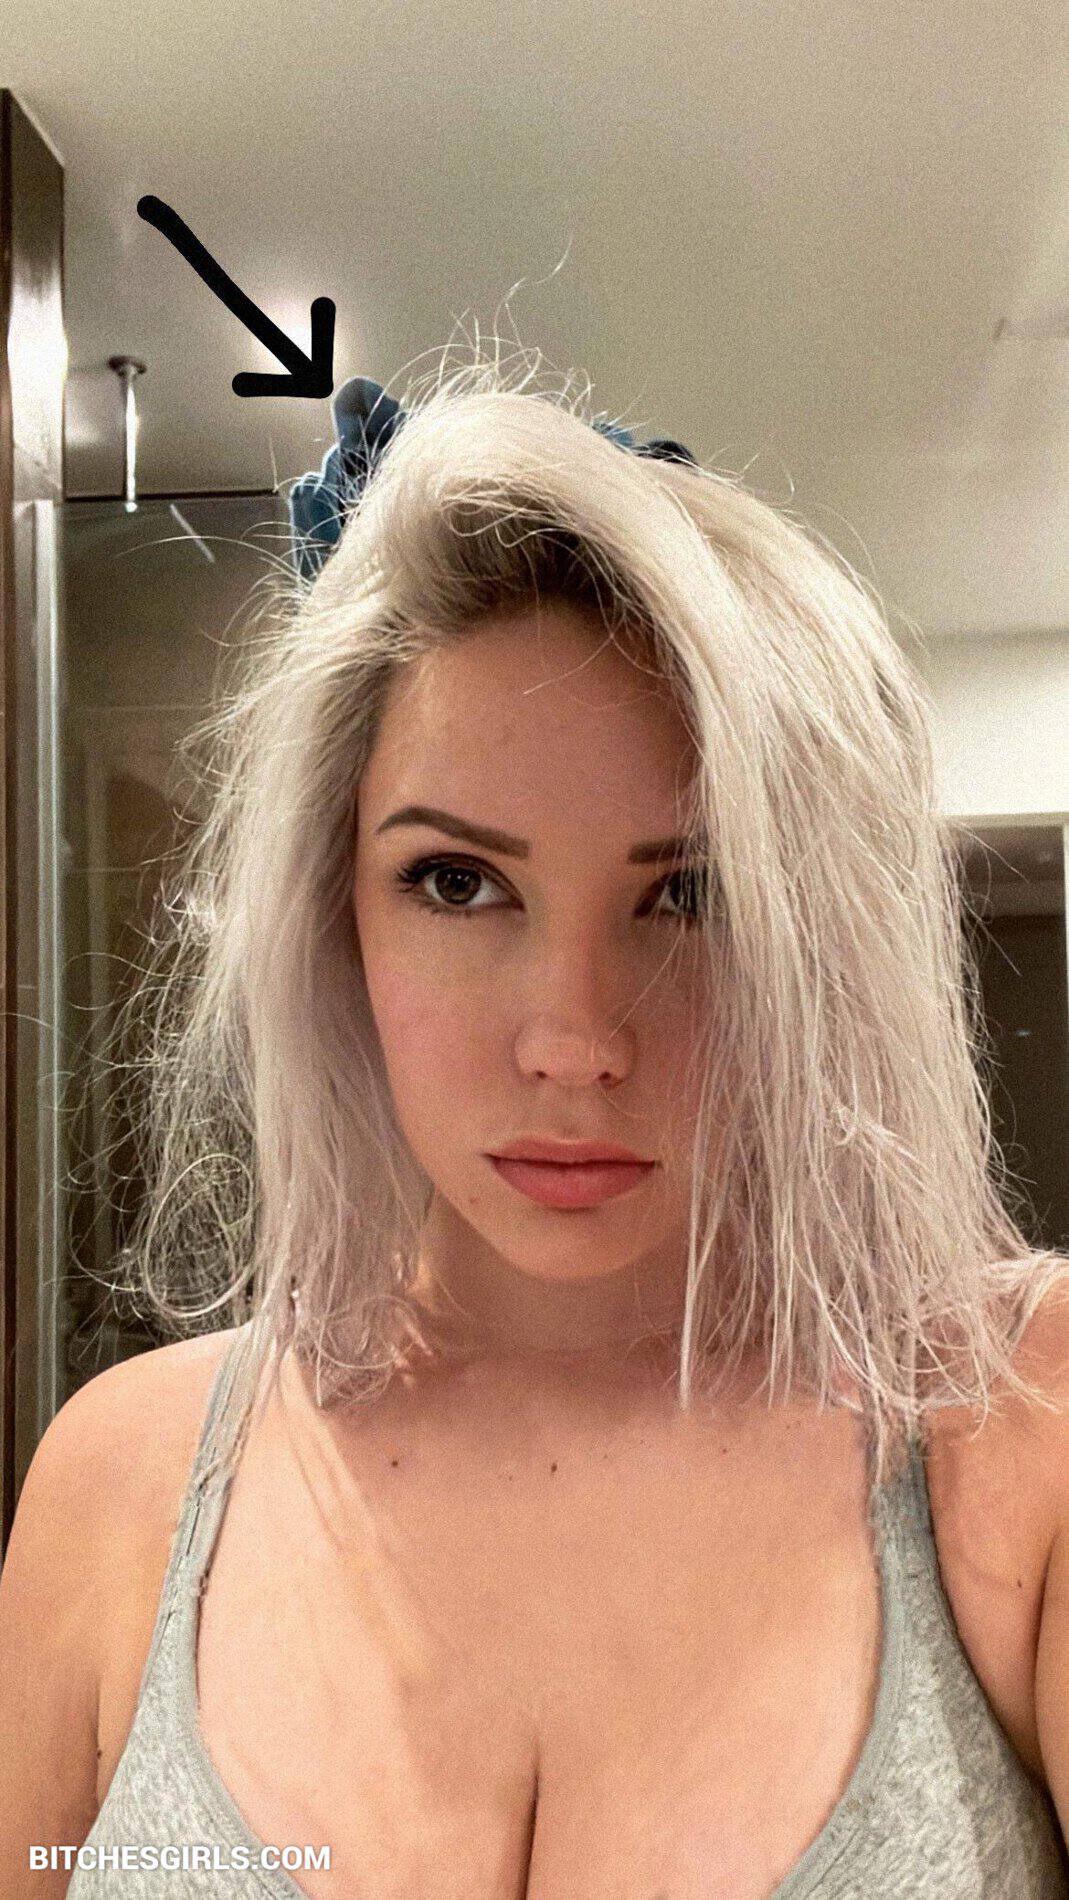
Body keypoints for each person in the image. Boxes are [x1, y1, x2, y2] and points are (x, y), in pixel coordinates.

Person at [3, 352, 1069, 1897]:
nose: (574, 1042)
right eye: (456, 882)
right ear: (331, 915)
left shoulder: (1015, 1418)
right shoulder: (123, 1481)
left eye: (689, 894)